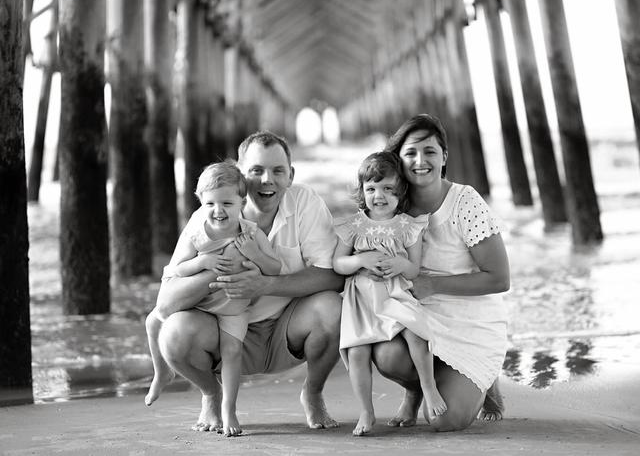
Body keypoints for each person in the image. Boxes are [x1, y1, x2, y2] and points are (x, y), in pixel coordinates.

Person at [154, 131, 344, 434]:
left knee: (334, 309)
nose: (266, 179)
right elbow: (165, 305)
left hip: (287, 331)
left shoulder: (305, 203)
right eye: (256, 170)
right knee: (173, 334)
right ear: (239, 174)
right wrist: (215, 267)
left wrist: (265, 285)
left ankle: (313, 392)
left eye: (277, 170)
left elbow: (333, 277)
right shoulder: (211, 215)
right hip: (221, 333)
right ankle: (211, 394)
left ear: (291, 175)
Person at [372, 113, 510, 431]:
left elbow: (499, 278)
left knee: (443, 421)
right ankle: (415, 390)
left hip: (471, 323)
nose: (421, 161)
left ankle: (487, 379)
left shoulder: (465, 203)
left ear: (444, 156)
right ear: (399, 159)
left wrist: (432, 284)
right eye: (411, 153)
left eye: (430, 152)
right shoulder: (393, 206)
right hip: (419, 322)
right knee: (387, 356)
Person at [145, 161, 282, 436]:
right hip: (201, 305)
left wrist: (255, 254)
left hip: (233, 308)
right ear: (200, 203)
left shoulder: (251, 233)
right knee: (153, 321)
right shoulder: (198, 233)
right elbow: (178, 270)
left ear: (242, 202)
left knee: (232, 352)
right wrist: (203, 262)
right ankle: (161, 373)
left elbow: (274, 269)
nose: (218, 211)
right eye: (210, 204)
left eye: (227, 204)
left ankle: (229, 409)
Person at [333, 151, 446, 436]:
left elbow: (413, 269)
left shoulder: (408, 225)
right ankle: (366, 411)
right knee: (357, 352)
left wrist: (399, 264)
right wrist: (360, 261)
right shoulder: (354, 225)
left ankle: (428, 388)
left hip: (396, 293)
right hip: (361, 300)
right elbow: (339, 263)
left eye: (387, 189)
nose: (378, 196)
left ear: (401, 191)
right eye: (370, 189)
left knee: (416, 335)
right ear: (362, 191)